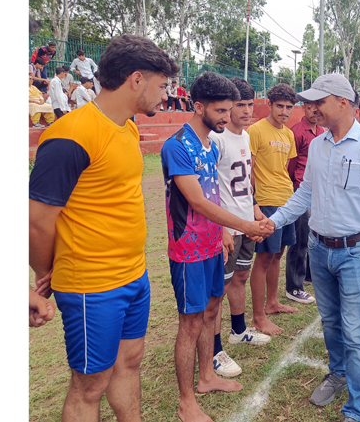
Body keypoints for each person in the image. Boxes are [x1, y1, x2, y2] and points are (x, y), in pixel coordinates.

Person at [28, 34, 179, 421]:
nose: (166, 95)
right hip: (91, 284)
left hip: (134, 275)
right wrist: (46, 272)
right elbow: (37, 222)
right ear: (136, 79)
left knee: (130, 361)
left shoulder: (127, 127)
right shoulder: (70, 135)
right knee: (89, 385)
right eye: (162, 86)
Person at [266, 73, 360, 422]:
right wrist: (274, 221)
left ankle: (355, 409)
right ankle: (338, 373)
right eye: (310, 103)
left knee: (355, 330)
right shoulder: (318, 145)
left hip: (355, 251)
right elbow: (305, 193)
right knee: (330, 321)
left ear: (343, 103)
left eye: (319, 102)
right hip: (318, 248)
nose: (312, 108)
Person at [160, 71, 274, 422]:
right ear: (199, 107)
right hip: (189, 251)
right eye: (220, 110)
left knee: (212, 310)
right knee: (190, 323)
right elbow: (197, 201)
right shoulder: (177, 145)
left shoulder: (210, 143)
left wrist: (223, 232)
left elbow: (214, 194)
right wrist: (244, 226)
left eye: (229, 109)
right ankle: (186, 402)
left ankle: (207, 376)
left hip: (213, 245)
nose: (227, 117)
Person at [209, 77, 272, 378]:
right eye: (240, 105)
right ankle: (214, 350)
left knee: (241, 276)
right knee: (218, 290)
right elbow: (208, 187)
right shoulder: (216, 139)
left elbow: (245, 180)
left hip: (246, 221)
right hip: (227, 225)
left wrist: (255, 208)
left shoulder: (245, 136)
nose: (247, 111)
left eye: (250, 104)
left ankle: (238, 330)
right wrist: (220, 226)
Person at [247, 83, 302, 335]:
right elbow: (249, 170)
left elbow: (286, 170)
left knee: (278, 254)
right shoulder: (256, 130)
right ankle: (258, 316)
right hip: (266, 201)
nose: (284, 112)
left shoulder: (288, 135)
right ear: (269, 104)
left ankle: (272, 303)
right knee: (264, 257)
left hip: (286, 201)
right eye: (280, 106)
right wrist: (254, 204)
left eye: (289, 107)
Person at [285, 101, 326, 295]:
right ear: (304, 108)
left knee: (315, 235)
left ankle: (309, 274)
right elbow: (291, 165)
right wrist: (295, 187)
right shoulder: (297, 132)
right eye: (310, 108)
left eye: (317, 109)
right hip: (300, 188)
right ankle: (294, 285)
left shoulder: (322, 131)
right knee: (300, 239)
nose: (314, 112)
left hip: (318, 191)